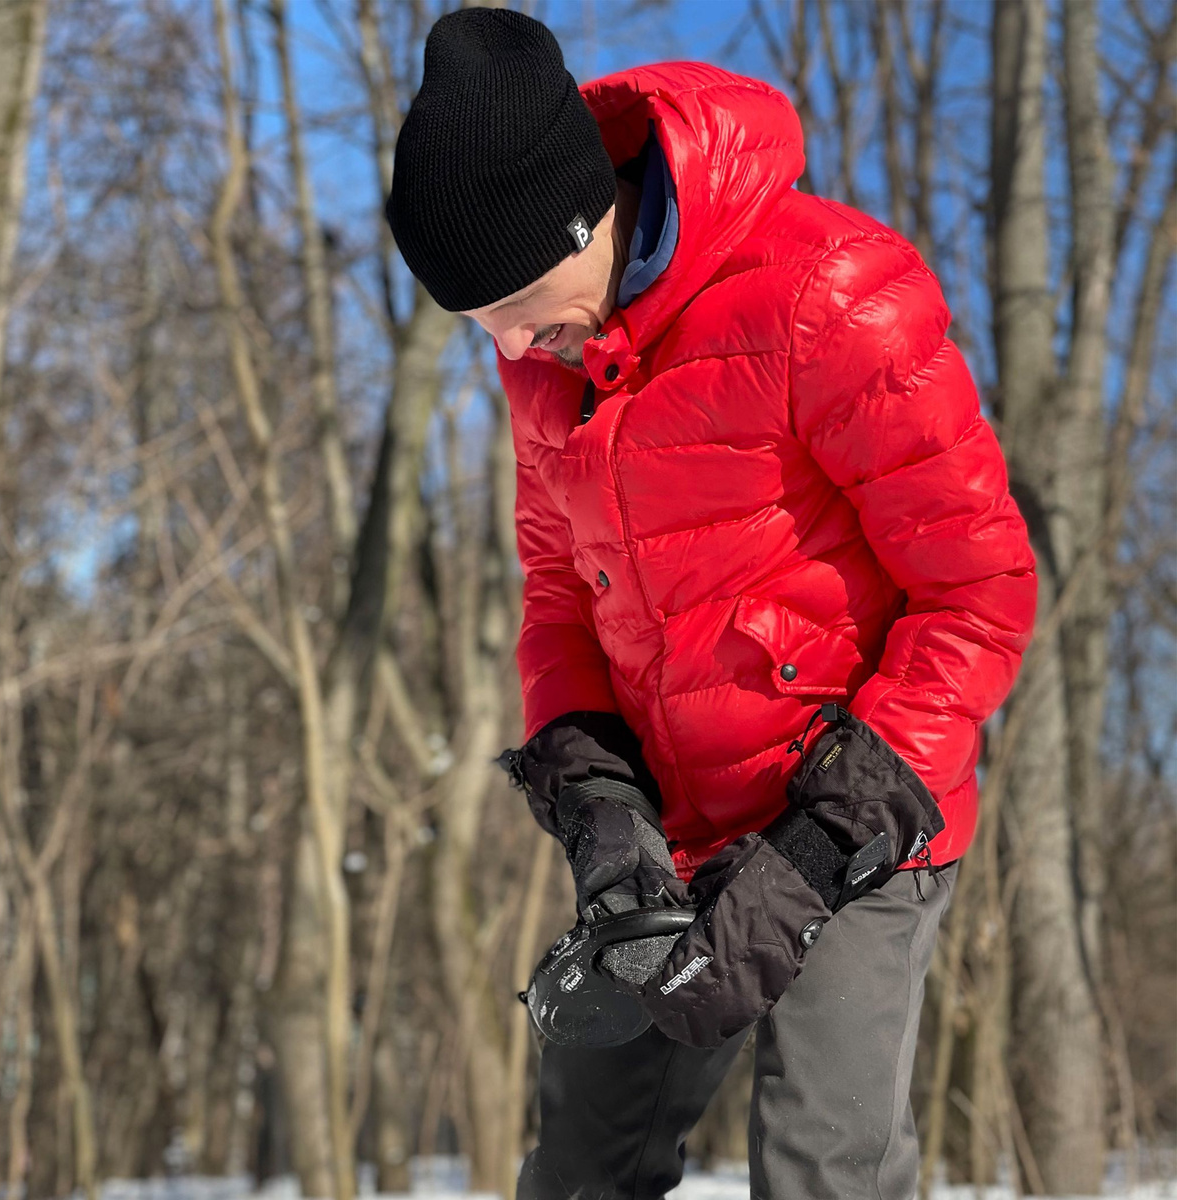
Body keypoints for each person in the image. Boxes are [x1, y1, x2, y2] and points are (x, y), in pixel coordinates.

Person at [385, 8, 1037, 1199]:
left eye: (521, 297)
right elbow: (556, 596)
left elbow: (980, 592)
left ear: (590, 215)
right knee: (585, 1161)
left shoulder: (834, 294)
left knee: (818, 1168)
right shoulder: (545, 358)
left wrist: (814, 851)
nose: (510, 341)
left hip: (860, 820)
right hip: (676, 834)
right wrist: (598, 799)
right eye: (475, 319)